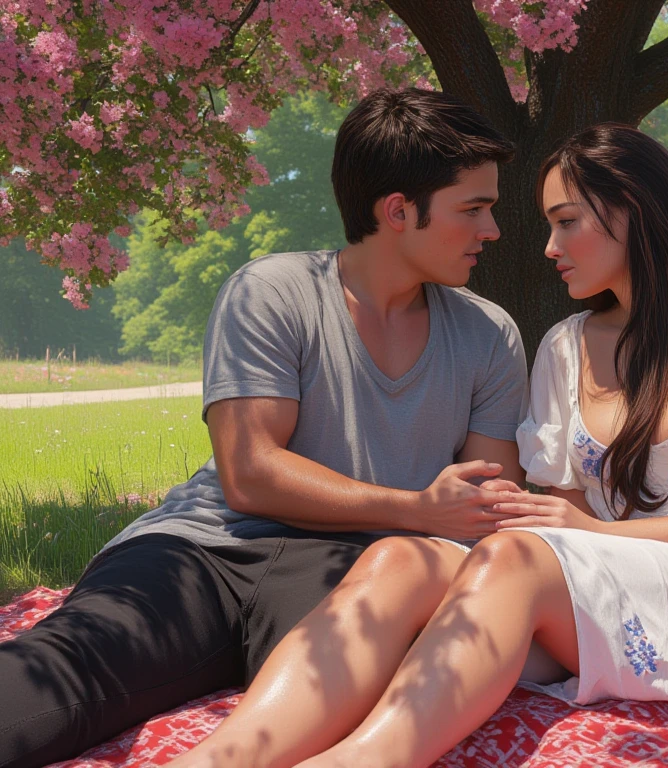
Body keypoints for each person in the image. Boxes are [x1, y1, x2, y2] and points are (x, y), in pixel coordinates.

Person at [166, 124, 668, 768]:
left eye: (564, 222)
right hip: (619, 572)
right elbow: (568, 519)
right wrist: (522, 517)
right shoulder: (563, 346)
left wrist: (589, 534)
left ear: (633, 210)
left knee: (517, 561)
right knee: (405, 558)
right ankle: (225, 758)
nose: (545, 248)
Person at [0, 88, 530, 768]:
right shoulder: (272, 291)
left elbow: (483, 506)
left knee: (364, 714)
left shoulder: (490, 335)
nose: (493, 229)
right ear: (398, 211)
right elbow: (250, 474)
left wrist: (448, 517)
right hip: (203, 550)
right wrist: (417, 508)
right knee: (65, 675)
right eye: (474, 209)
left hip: (355, 574)